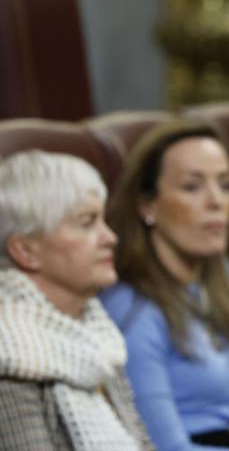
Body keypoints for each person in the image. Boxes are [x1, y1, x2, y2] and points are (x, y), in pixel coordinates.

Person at [101, 120, 229, 450]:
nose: (216, 201)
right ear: (147, 205)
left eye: (225, 185)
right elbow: (164, 446)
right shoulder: (133, 307)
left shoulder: (221, 275)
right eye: (192, 187)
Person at [0, 150, 153, 451]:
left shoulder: (97, 336)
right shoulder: (10, 354)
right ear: (25, 250)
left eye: (103, 221)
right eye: (86, 223)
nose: (110, 238)